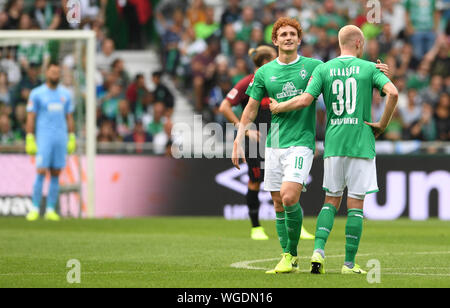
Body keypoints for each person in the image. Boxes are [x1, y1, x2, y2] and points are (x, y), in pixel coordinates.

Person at [269, 25, 398, 274]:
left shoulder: (323, 68)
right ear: (359, 43)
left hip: (334, 144)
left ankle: (318, 252)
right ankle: (349, 264)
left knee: (330, 201)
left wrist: (279, 107)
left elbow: (306, 100)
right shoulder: (370, 68)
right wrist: (382, 124)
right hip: (361, 142)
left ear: (340, 43)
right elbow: (392, 92)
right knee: (356, 205)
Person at [232, 17, 324, 274]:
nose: (288, 37)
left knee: (288, 196)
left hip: (301, 143)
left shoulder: (314, 66)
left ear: (299, 38)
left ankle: (290, 254)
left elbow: (340, 76)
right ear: (275, 40)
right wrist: (239, 137)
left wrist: (374, 73)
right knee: (277, 202)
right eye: (283, 34)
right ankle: (289, 257)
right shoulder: (264, 73)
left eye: (293, 33)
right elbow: (250, 108)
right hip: (273, 145)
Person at [220, 45, 315, 241]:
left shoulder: (284, 78)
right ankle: (256, 227)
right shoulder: (251, 81)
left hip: (283, 137)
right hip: (259, 141)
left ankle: (297, 226)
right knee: (255, 182)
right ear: (264, 63)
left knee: (290, 184)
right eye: (273, 58)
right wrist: (244, 130)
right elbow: (224, 106)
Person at [25, 62, 76, 221]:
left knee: (55, 173)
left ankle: (50, 209)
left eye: (57, 72)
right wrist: (30, 137)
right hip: (44, 138)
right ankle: (34, 208)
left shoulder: (65, 94)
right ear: (46, 73)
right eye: (52, 71)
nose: (55, 74)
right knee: (41, 172)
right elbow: (31, 116)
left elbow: (69, 116)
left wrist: (72, 136)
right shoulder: (37, 93)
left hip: (60, 139)